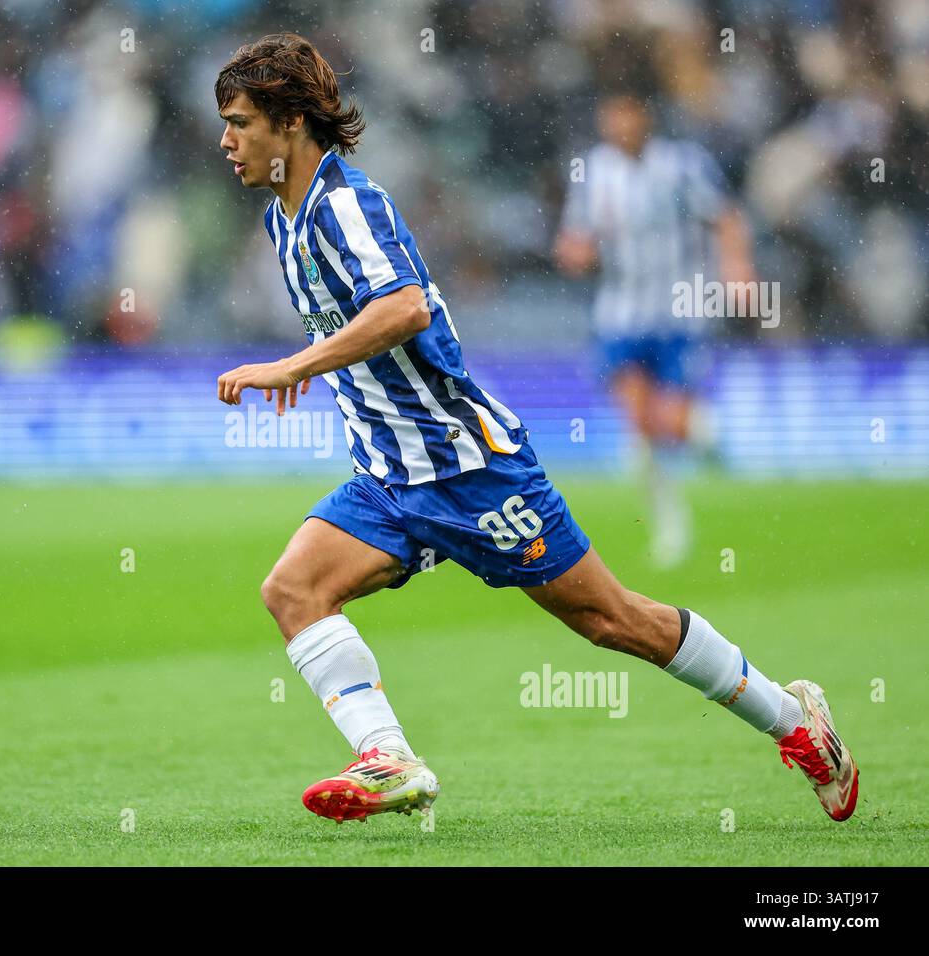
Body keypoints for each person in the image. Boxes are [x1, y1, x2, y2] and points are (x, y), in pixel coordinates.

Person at [213, 34, 856, 824]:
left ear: (289, 122)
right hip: (390, 473)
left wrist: (296, 366)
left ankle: (798, 724)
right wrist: (321, 366)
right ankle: (390, 759)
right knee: (293, 589)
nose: (226, 140)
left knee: (612, 621)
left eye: (241, 121)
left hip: (470, 469)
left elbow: (405, 306)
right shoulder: (284, 220)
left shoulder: (347, 204)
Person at [555, 92, 758, 567]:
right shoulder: (592, 172)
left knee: (669, 422)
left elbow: (725, 215)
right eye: (610, 116)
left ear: (644, 116)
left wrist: (737, 266)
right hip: (620, 314)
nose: (617, 124)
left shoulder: (683, 164)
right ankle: (670, 522)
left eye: (625, 113)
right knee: (640, 423)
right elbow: (574, 237)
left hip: (680, 310)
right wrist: (575, 253)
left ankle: (709, 438)